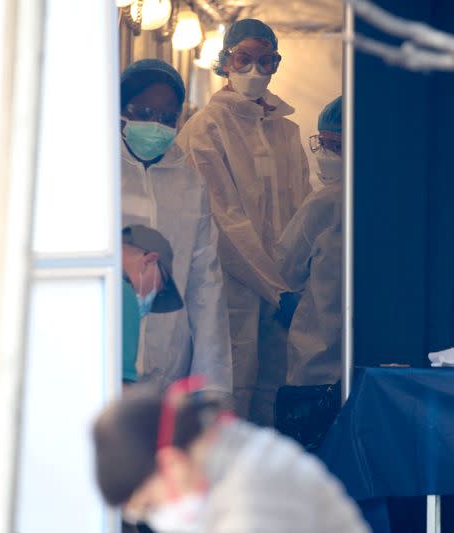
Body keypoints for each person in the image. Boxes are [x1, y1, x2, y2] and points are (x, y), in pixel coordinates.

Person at [175, 19, 311, 424]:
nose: (255, 70)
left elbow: (301, 212)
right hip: (230, 288)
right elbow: (224, 221)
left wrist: (293, 284)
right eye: (243, 59)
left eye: (265, 61)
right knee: (230, 390)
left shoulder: (286, 132)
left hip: (284, 293)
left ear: (276, 64)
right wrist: (276, 289)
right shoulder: (205, 130)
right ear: (224, 63)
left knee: (275, 391)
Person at [92, 379, 370, 533]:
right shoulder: (222, 451)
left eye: (150, 503)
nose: (156, 519)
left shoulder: (253, 493)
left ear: (171, 462)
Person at [120, 59, 231, 394]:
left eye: (167, 118)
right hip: (102, 351)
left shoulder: (188, 181)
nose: (156, 124)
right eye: (143, 112)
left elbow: (205, 283)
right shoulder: (97, 170)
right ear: (120, 110)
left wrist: (211, 385)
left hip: (168, 353)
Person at [275, 96, 343, 386]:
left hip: (317, 362)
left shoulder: (325, 202)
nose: (326, 154)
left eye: (337, 146)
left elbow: (286, 269)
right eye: (324, 144)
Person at [121, 224, 184, 386]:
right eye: (159, 287)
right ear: (149, 261)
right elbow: (121, 388)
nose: (153, 296)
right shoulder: (124, 296)